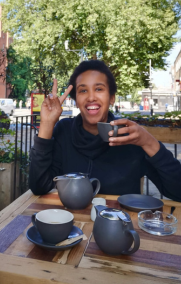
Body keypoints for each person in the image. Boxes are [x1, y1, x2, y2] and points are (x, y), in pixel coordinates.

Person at [29, 60, 181, 202]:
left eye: (99, 89)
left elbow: (177, 191)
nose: (91, 97)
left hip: (119, 227)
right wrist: (47, 124)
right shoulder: (64, 131)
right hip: (71, 226)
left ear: (112, 98)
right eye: (83, 91)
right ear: (75, 101)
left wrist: (149, 142)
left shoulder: (131, 137)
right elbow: (39, 186)